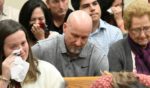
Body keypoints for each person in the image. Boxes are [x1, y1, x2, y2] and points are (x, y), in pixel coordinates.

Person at [32, 10, 109, 77]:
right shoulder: (41, 50)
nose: (78, 43)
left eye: (84, 38)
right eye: (75, 36)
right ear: (64, 28)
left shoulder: (98, 58)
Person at [0, 19, 65, 88]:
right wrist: (5, 79)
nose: (21, 50)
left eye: (23, 43)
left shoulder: (46, 69)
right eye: (14, 47)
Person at [108, 0, 150, 75]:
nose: (142, 35)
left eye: (147, 28)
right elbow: (116, 83)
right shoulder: (116, 50)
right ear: (128, 28)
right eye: (136, 30)